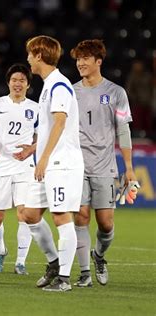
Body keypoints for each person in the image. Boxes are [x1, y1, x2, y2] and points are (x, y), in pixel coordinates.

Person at [70, 39, 139, 287]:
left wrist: (129, 168)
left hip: (105, 166)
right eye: (78, 59)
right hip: (77, 166)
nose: (80, 63)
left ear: (98, 61)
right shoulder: (71, 91)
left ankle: (98, 256)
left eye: (85, 58)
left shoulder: (116, 93)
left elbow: (123, 131)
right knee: (80, 216)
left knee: (106, 223)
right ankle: (85, 273)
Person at [22, 35, 84, 292]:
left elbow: (60, 121)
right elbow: (53, 128)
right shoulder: (48, 85)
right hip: (48, 160)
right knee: (30, 214)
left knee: (61, 216)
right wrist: (35, 150)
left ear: (38, 55)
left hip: (61, 163)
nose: (27, 59)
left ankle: (65, 279)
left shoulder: (59, 85)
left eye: (29, 54)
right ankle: (54, 263)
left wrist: (45, 158)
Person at [0, 63, 38, 275]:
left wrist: (31, 149)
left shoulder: (36, 108)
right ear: (8, 82)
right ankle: (1, 250)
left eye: (22, 80)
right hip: (1, 167)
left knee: (24, 214)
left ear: (28, 85)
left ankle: (21, 262)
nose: (18, 83)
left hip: (25, 167)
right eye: (14, 80)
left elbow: (45, 136)